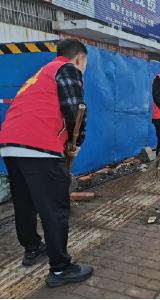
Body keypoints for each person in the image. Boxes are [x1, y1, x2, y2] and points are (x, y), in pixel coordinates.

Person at [0, 38, 93, 287]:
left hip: (10, 144)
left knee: (25, 202)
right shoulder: (68, 69)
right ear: (79, 58)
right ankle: (61, 269)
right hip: (38, 146)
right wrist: (76, 141)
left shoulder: (40, 75)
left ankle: (32, 248)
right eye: (85, 64)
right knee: (55, 207)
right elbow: (76, 109)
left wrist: (65, 144)